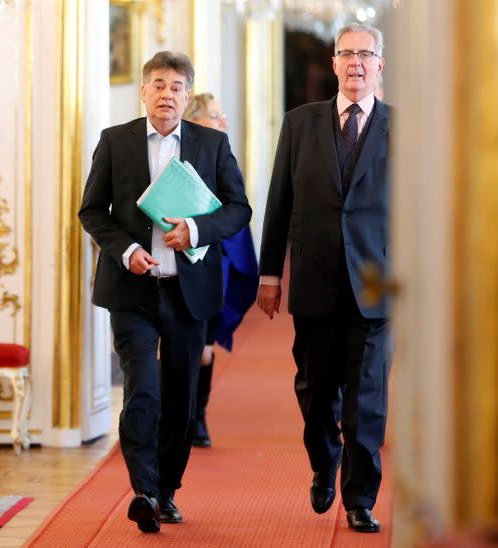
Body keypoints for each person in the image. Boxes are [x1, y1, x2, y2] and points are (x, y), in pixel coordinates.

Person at [79, 51, 251, 533]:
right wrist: (127, 248)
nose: (166, 94)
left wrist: (195, 231)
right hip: (132, 289)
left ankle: (168, 489)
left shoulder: (212, 145)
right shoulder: (116, 142)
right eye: (158, 84)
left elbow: (239, 209)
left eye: (176, 86)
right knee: (143, 390)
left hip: (187, 290)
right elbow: (92, 211)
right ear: (143, 90)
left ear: (187, 95)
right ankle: (144, 492)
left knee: (179, 396)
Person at [257, 22, 392, 533]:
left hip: (377, 288)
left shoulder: (400, 126)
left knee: (367, 398)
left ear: (380, 65)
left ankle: (360, 498)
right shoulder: (300, 123)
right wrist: (271, 272)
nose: (356, 63)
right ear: (334, 63)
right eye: (347, 54)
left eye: (366, 54)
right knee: (315, 394)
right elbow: (279, 201)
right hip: (313, 282)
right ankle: (323, 460)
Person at [182, 93, 258, 448]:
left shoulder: (220, 152)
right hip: (174, 256)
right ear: (193, 119)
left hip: (216, 256)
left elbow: (236, 205)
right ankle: (172, 416)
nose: (223, 122)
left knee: (205, 343)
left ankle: (198, 415)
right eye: (215, 115)